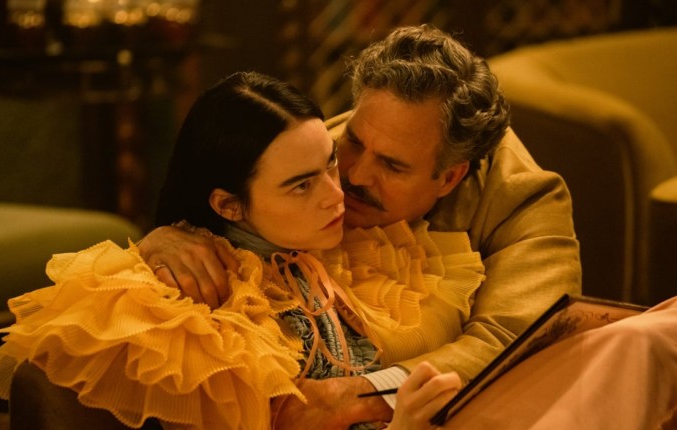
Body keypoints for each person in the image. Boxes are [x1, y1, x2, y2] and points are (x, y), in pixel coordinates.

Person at [138, 24, 582, 427]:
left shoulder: (523, 198)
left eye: (392, 165)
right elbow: (221, 189)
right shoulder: (317, 146)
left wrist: (359, 395)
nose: (351, 177)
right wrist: (165, 239)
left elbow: (519, 340)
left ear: (450, 178)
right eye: (351, 141)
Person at [0, 71, 483, 429]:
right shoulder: (192, 315)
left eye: (330, 163)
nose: (339, 194)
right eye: (302, 185)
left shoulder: (336, 242)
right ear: (228, 205)